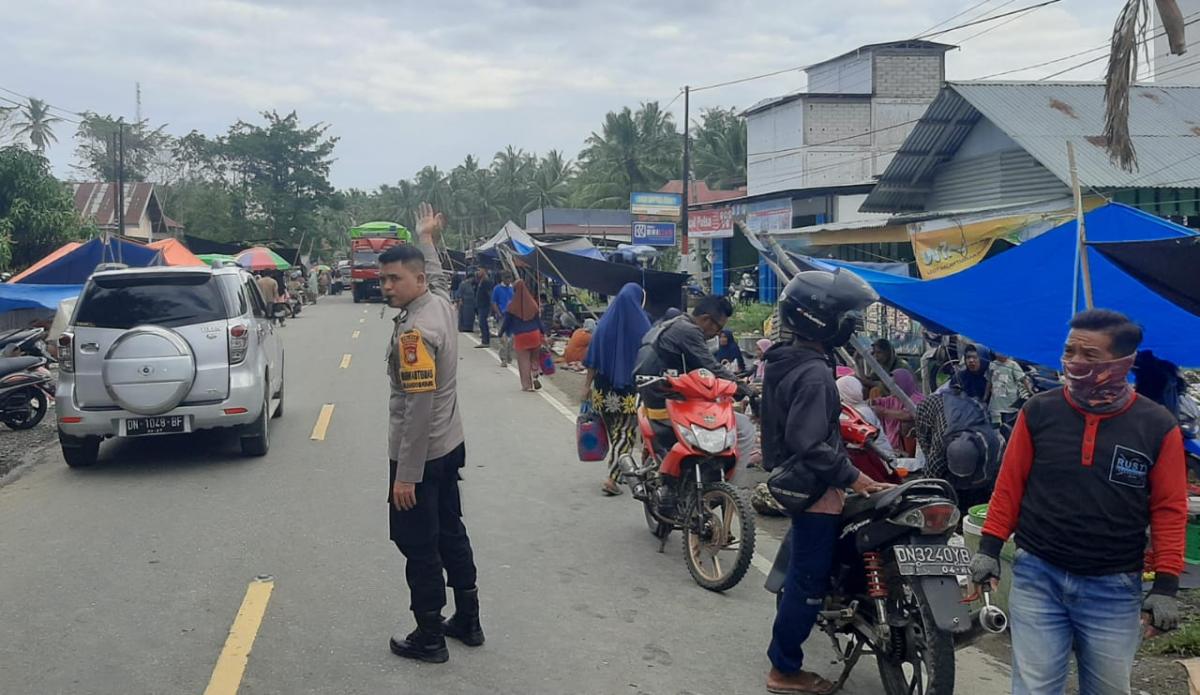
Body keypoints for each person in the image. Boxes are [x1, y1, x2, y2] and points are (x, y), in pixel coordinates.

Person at [969, 309, 1187, 695]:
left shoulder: (1157, 426)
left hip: (1114, 588)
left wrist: (1166, 586)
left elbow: (1169, 508)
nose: (1074, 362)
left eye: (1089, 355)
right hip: (1039, 576)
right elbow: (1010, 485)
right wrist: (989, 547)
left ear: (1123, 363)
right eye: (1070, 352)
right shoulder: (1040, 410)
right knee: (1034, 689)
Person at [761, 269, 889, 694]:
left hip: (802, 482)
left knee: (806, 568)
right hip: (817, 488)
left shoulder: (787, 357)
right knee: (807, 582)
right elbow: (807, 439)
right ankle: (784, 668)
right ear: (821, 319)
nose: (852, 325)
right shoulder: (815, 373)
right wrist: (854, 478)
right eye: (847, 316)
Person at [380, 203, 482, 664]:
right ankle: (468, 619)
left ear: (415, 281)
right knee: (450, 531)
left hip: (421, 452)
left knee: (418, 544)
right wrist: (427, 238)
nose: (386, 287)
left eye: (394, 279)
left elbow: (418, 409)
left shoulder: (415, 332)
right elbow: (439, 274)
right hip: (450, 444)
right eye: (383, 279)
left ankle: (430, 635)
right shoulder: (439, 301)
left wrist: (406, 475)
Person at [634, 295, 739, 515]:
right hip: (660, 396)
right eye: (718, 328)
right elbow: (711, 366)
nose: (717, 335)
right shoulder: (688, 331)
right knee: (680, 435)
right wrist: (744, 389)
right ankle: (670, 484)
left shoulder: (681, 323)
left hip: (675, 394)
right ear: (706, 319)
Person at [583, 284, 652, 496]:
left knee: (616, 433)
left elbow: (592, 360)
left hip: (602, 390)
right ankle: (612, 478)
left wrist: (586, 386)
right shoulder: (643, 327)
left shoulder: (603, 326)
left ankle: (620, 469)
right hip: (628, 390)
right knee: (625, 434)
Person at [499, 281, 547, 392]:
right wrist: (543, 333)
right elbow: (539, 322)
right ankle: (535, 374)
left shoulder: (511, 306)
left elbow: (506, 322)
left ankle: (527, 385)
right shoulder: (533, 304)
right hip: (534, 335)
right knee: (534, 359)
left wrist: (501, 332)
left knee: (524, 361)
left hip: (521, 337)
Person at [870, 368, 923, 455]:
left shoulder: (917, 399)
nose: (891, 388)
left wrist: (884, 412)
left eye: (895, 385)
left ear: (903, 383)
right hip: (894, 447)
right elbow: (875, 402)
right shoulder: (893, 399)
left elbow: (909, 415)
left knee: (906, 425)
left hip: (912, 447)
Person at [985, 352, 1031, 425]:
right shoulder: (992, 365)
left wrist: (1029, 392)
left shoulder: (1013, 365)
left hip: (1010, 402)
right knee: (995, 423)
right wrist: (985, 396)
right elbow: (989, 381)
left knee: (1009, 423)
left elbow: (1023, 379)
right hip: (996, 401)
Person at [491, 272, 516, 367]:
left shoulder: (512, 288)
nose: (508, 280)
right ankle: (503, 359)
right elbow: (494, 302)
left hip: (512, 316)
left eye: (509, 278)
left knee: (512, 338)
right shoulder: (497, 289)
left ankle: (509, 356)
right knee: (503, 338)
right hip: (502, 316)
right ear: (503, 278)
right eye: (506, 278)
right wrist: (498, 313)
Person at [473, 267, 494, 348]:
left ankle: (485, 341)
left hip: (484, 305)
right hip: (480, 305)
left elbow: (489, 293)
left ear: (484, 271)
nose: (477, 272)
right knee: (481, 323)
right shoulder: (480, 281)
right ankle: (484, 340)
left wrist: (491, 304)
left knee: (483, 323)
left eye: (479, 270)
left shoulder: (486, 281)